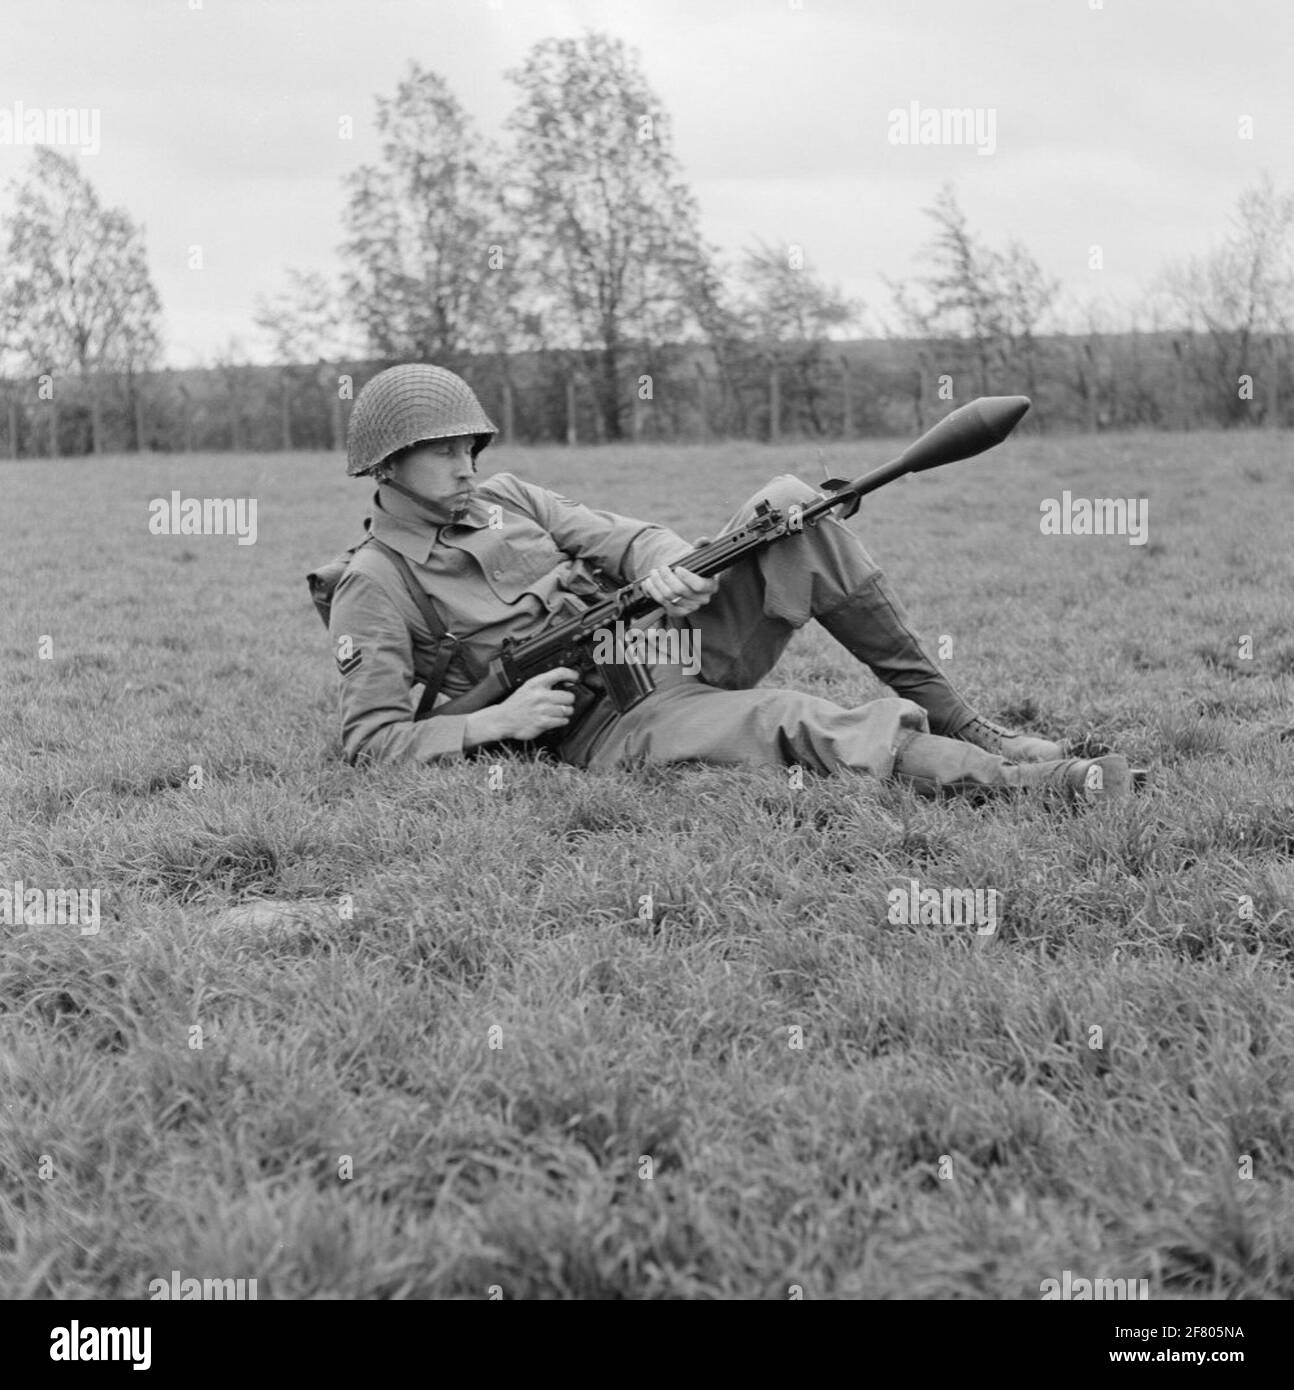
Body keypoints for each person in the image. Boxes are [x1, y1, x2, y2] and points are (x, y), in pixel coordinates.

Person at [317, 364, 1134, 803]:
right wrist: (498, 718)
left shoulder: (505, 496)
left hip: (661, 637)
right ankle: (1026, 784)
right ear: (387, 466)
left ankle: (973, 726)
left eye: (472, 447)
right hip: (613, 723)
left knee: (789, 507)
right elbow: (370, 747)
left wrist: (664, 564)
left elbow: (619, 536)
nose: (467, 466)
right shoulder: (374, 585)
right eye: (444, 453)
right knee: (795, 719)